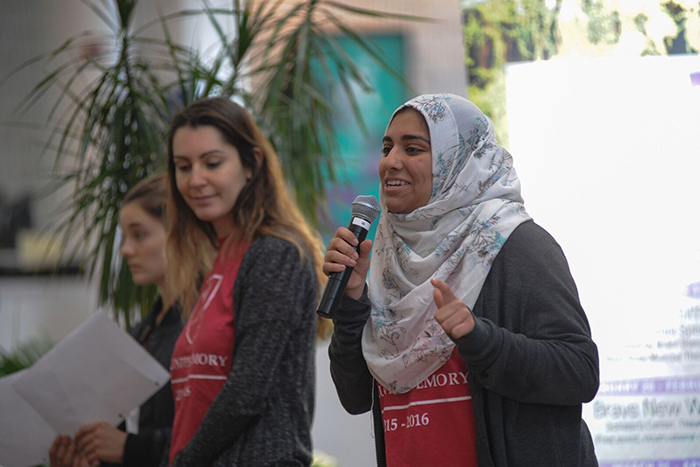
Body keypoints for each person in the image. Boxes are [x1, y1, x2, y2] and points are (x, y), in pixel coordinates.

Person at [324, 93, 600, 466]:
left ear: (458, 160)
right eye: (387, 147)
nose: (391, 161)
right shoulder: (387, 257)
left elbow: (579, 371)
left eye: (413, 149)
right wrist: (352, 302)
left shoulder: (516, 244)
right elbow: (355, 395)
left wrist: (480, 339)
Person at [164, 97, 325, 466]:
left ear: (251, 164)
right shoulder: (217, 259)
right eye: (183, 167)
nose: (196, 180)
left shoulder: (276, 254)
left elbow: (247, 392)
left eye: (213, 163)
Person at [49, 173, 183, 467]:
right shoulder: (140, 333)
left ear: (178, 232)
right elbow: (123, 436)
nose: (125, 250)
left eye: (140, 234)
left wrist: (131, 447)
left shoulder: (199, 330)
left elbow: (210, 441)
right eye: (125, 236)